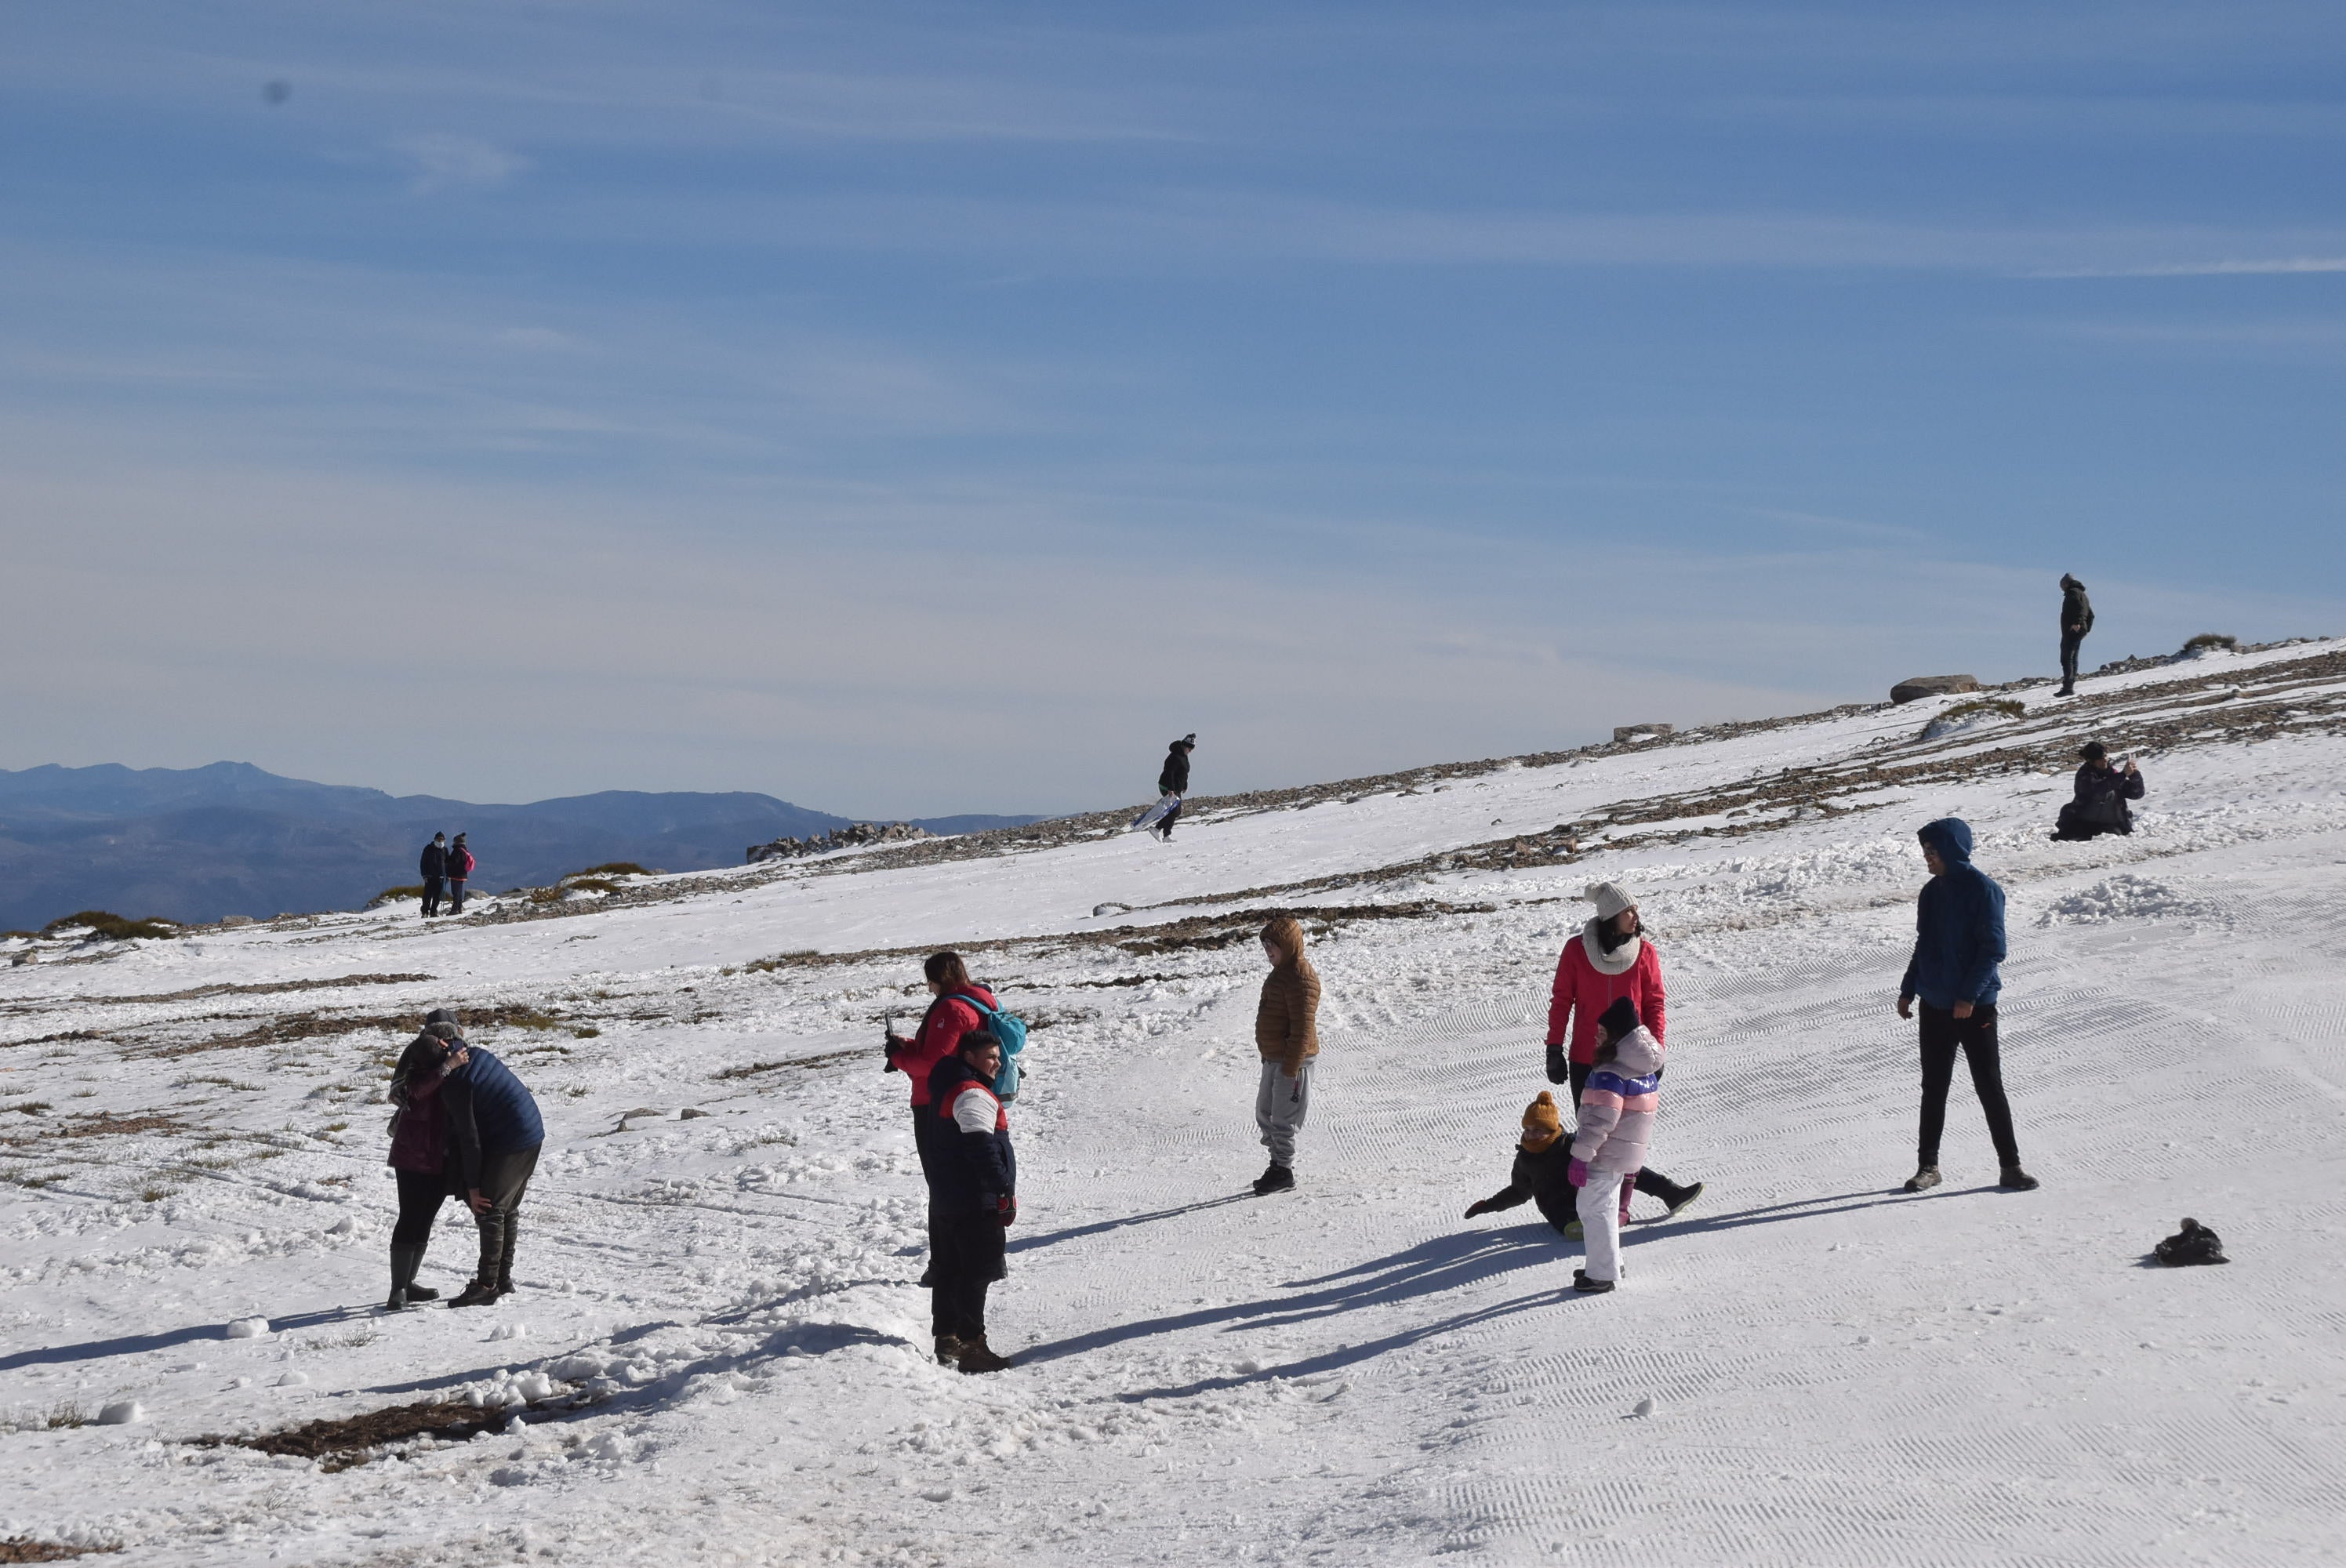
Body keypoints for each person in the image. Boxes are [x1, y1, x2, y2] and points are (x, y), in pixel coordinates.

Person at [1542, 884, 1704, 1225]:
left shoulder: (1644, 952)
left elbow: (1654, 1004)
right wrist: (1554, 1048)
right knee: (1595, 1138)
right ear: (1610, 916)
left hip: (1631, 1061)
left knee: (1623, 1139)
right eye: (1628, 911)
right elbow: (1562, 1000)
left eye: (1635, 910)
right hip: (1587, 1059)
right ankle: (1629, 1201)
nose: (1636, 916)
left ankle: (1621, 1205)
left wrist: (1656, 1050)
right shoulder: (1576, 951)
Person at [1897, 818, 2037, 1193]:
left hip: (1975, 1009)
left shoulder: (1984, 890)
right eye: (1924, 851)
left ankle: (2011, 1167)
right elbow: (1924, 945)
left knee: (1989, 1085)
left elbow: (1993, 949)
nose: (1926, 858)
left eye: (1932, 851)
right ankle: (1928, 1167)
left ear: (1951, 850)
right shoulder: (1931, 893)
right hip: (1934, 1005)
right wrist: (1909, 989)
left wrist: (1968, 997)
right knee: (1934, 1087)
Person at [884, 953, 999, 1287]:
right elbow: (942, 1051)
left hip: (937, 1103)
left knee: (943, 1184)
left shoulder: (950, 1009)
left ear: (938, 979)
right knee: (962, 1179)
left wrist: (898, 1057)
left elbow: (933, 1065)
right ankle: (968, 1258)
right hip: (966, 1097)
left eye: (929, 981)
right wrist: (909, 1046)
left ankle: (946, 1264)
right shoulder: (976, 1001)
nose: (929, 987)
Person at [926, 1029, 1018, 1373]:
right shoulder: (972, 1093)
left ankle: (947, 1339)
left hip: (950, 1196)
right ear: (969, 1058)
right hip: (973, 1198)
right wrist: (1002, 1190)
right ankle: (972, 1347)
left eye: (998, 1056)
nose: (998, 1063)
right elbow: (981, 1146)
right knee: (976, 1273)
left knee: (951, 1269)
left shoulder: (951, 1085)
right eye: (991, 1057)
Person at [437, 1019, 546, 1306]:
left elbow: (469, 1140)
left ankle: (486, 1284)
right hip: (532, 1131)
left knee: (489, 1207)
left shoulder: (455, 1082)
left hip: (513, 1139)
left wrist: (473, 1188)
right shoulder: (478, 1055)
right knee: (507, 1207)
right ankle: (503, 1279)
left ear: (440, 1046)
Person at [1567, 998, 1664, 1294]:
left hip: (1606, 1153)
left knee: (1593, 1208)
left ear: (1618, 1036)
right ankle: (1608, 1263)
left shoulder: (1611, 1073)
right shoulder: (1640, 1067)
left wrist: (1580, 1157)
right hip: (1624, 1152)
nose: (1597, 1036)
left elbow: (1600, 1121)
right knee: (1604, 1208)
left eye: (1602, 1032)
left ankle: (1601, 1274)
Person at [382, 1008, 461, 1308]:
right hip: (419, 1152)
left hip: (430, 1152)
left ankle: (406, 1284)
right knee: (414, 1216)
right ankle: (398, 1289)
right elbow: (413, 1093)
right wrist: (447, 1067)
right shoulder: (420, 1057)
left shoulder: (447, 1056)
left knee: (422, 1217)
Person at [1251, 913, 1320, 1196]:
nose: (1268, 951)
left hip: (1293, 1061)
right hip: (1275, 1057)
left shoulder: (1301, 978)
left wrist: (1291, 1068)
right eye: (1265, 945)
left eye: (1273, 945)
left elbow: (1303, 1028)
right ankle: (1276, 1163)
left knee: (1283, 1117)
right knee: (1264, 1113)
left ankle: (1283, 1170)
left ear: (1289, 945)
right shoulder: (1281, 973)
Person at [1463, 1091, 1581, 1236]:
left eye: (1537, 1130)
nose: (1530, 1134)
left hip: (1583, 1198)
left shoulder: (1568, 1145)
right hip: (1557, 1210)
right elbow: (1518, 1191)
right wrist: (1489, 1205)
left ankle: (1603, 1218)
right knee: (1561, 1215)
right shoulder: (1525, 1158)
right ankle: (1575, 1227)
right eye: (1527, 1129)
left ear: (1551, 1130)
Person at [2052, 742, 2145, 840]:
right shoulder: (2085, 775)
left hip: (2110, 826)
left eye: (2105, 756)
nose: (2105, 760)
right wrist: (2122, 775)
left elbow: (2137, 793)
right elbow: (2098, 790)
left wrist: (2134, 774)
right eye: (2101, 758)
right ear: (2091, 761)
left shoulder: (2113, 774)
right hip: (2083, 824)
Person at [2057, 574, 2094, 697]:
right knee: (2073, 657)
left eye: (2062, 586)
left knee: (2066, 658)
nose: (2062, 589)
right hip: (2079, 629)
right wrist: (2087, 629)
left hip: (2073, 629)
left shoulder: (2072, 593)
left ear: (2066, 584)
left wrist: (2077, 623)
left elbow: (2078, 608)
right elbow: (2091, 614)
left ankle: (2068, 687)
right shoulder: (2083, 595)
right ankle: (2069, 685)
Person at [1154, 733, 1196, 841]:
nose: (1190, 751)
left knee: (1176, 812)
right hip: (1166, 785)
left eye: (1191, 749)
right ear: (1184, 746)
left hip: (1176, 787)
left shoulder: (1184, 757)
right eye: (1189, 749)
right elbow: (1170, 773)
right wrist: (1170, 789)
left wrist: (1184, 785)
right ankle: (1161, 832)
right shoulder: (1175, 756)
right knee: (1174, 811)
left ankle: (1161, 832)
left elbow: (1183, 773)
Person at [419, 833, 448, 918]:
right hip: (430, 877)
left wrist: (448, 875)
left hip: (441, 877)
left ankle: (433, 911)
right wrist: (424, 875)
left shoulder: (445, 850)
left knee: (438, 896)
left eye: (442, 840)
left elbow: (448, 863)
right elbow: (423, 862)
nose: (440, 841)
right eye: (439, 839)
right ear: (435, 839)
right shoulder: (428, 849)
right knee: (427, 896)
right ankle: (425, 911)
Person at [446, 833, 475, 914]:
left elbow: (455, 862)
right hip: (463, 875)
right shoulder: (464, 850)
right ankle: (459, 908)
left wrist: (448, 862)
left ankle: (455, 910)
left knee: (455, 893)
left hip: (456, 875)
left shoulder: (457, 851)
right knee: (459, 892)